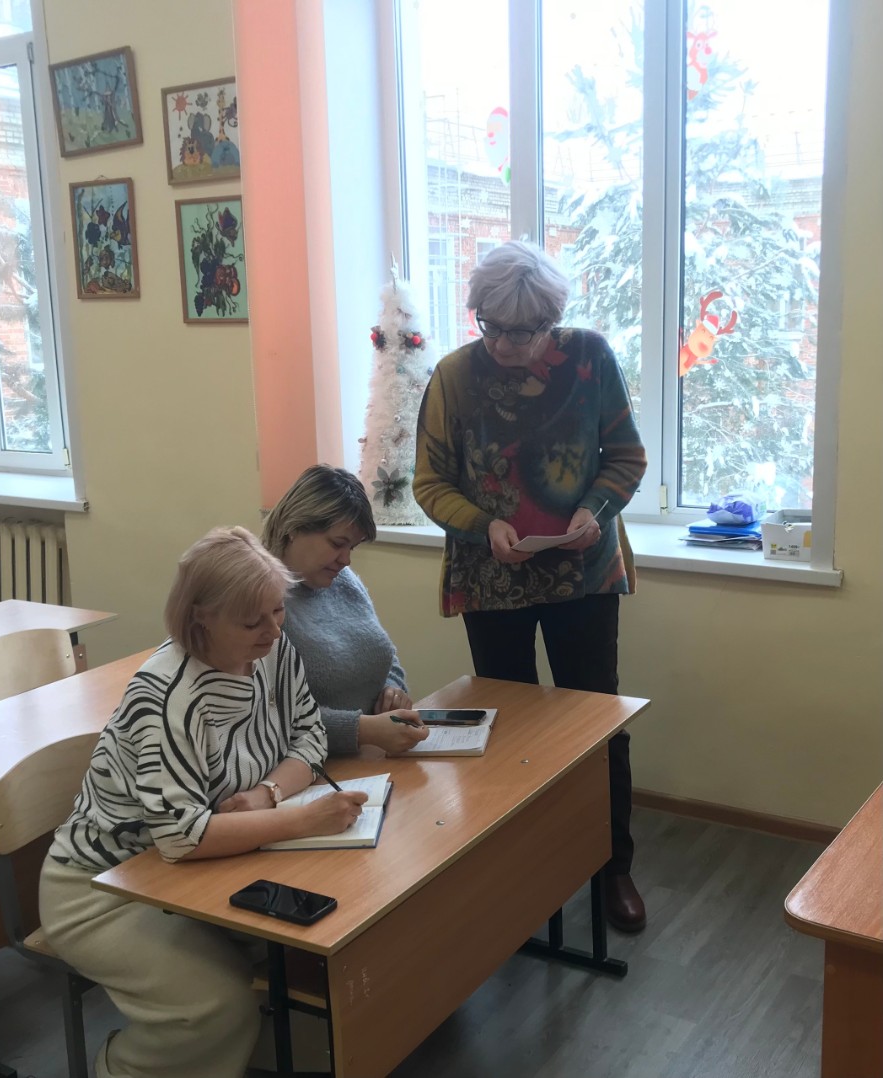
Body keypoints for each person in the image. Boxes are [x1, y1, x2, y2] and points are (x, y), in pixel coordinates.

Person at [39, 526, 367, 1078]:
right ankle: (120, 1068)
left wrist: (267, 795)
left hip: (204, 871)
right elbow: (181, 837)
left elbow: (309, 736)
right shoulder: (167, 696)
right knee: (216, 1005)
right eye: (252, 621)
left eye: (277, 611)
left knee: (327, 935)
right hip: (105, 889)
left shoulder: (272, 650)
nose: (272, 631)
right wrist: (299, 819)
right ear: (202, 619)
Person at [413, 240, 648, 932]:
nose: (508, 345)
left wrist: (593, 510)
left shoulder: (590, 358)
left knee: (597, 724)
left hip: (584, 575)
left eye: (525, 331)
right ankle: (521, 874)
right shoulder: (454, 377)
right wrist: (482, 524)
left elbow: (625, 456)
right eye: (493, 328)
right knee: (507, 732)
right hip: (493, 580)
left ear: (553, 319)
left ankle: (612, 868)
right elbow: (430, 483)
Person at [262, 464, 429, 756]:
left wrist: (393, 691)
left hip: (369, 754)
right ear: (294, 528)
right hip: (306, 765)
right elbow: (268, 716)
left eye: (352, 547)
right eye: (337, 544)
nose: (346, 560)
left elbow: (384, 654)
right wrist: (362, 730)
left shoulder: (343, 581)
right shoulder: (260, 599)